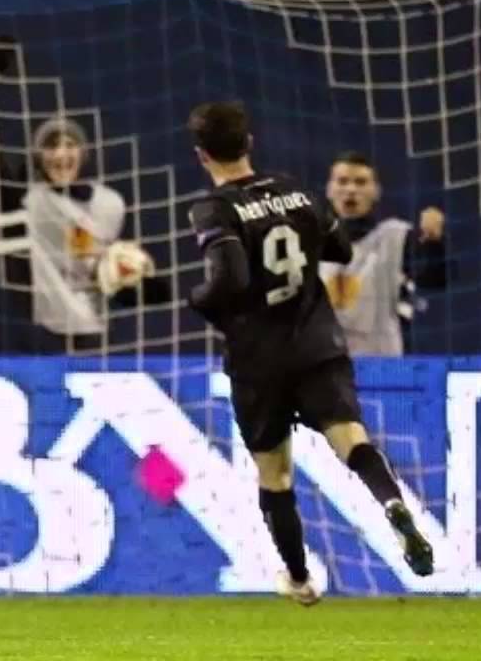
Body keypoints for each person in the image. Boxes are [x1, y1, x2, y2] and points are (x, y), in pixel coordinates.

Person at [184, 101, 432, 605]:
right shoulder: (297, 192)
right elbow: (341, 250)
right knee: (352, 439)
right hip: (318, 344)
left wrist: (199, 301)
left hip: (259, 359)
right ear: (249, 143)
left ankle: (299, 579)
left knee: (275, 473)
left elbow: (230, 277)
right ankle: (392, 504)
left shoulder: (214, 209)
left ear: (201, 155)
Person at [18, 118, 166, 353]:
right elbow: (85, 256)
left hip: (93, 326)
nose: (61, 154)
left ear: (83, 153)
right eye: (51, 146)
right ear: (38, 157)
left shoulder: (110, 203)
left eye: (69, 144)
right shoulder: (35, 202)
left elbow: (100, 265)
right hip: (46, 328)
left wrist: (129, 275)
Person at [319, 151, 447, 356]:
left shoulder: (396, 236)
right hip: (328, 365)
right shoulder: (311, 243)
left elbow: (435, 280)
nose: (351, 190)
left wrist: (433, 243)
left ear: (376, 191)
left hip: (382, 364)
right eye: (342, 181)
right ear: (329, 190)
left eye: (360, 182)